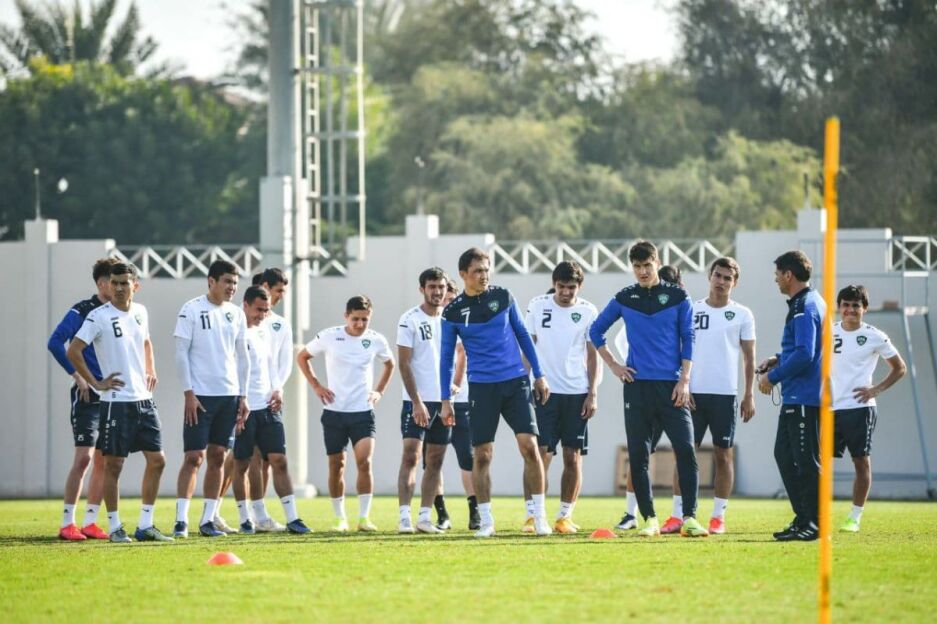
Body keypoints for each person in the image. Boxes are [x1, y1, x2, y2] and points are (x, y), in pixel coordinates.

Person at [590, 241, 708, 537]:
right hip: (637, 388)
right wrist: (614, 366)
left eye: (647, 265)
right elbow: (595, 330)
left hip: (672, 387)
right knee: (639, 455)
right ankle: (650, 519)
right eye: (637, 267)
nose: (642, 271)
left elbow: (689, 337)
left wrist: (685, 380)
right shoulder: (625, 297)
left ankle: (689, 518)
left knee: (686, 450)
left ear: (657, 263)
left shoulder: (679, 296)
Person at [439, 247, 552, 538]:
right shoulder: (452, 312)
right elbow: (446, 357)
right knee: (482, 455)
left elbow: (523, 335)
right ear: (463, 274)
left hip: (516, 383)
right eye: (478, 271)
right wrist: (445, 399)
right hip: (481, 388)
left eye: (487, 269)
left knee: (530, 446)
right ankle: (487, 521)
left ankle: (539, 516)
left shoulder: (503, 297)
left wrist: (539, 375)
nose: (484, 275)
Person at [67, 262, 171, 543]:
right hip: (116, 402)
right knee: (114, 464)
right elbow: (74, 350)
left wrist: (151, 368)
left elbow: (146, 341)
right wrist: (96, 382)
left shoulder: (140, 312)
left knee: (158, 460)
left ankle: (145, 525)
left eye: (124, 283)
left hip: (144, 399)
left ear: (135, 286)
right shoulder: (98, 316)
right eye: (114, 283)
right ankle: (114, 528)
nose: (119, 288)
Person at [659, 257, 756, 535]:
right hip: (692, 395)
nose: (721, 281)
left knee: (723, 455)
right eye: (718, 275)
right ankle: (678, 515)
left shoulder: (743, 314)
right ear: (709, 277)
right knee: (685, 454)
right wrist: (683, 384)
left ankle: (718, 517)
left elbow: (749, 359)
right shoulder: (692, 309)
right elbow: (677, 350)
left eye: (727, 278)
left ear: (735, 282)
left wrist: (749, 394)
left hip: (725, 395)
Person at [297, 295, 395, 532]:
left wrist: (379, 391)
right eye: (355, 319)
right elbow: (302, 356)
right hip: (334, 413)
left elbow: (390, 364)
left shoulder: (376, 340)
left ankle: (364, 518)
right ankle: (339, 518)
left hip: (363, 412)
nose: (360, 324)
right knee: (337, 465)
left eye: (365, 319)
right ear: (346, 316)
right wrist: (317, 386)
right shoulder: (330, 336)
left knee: (364, 462)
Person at [172, 260, 250, 538]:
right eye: (227, 281)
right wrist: (188, 392)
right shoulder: (191, 309)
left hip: (229, 396)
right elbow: (181, 352)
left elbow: (243, 356)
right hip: (200, 397)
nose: (232, 287)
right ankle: (181, 520)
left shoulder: (236, 314)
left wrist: (243, 395)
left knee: (218, 456)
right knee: (194, 457)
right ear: (211, 281)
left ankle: (207, 521)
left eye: (235, 283)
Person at [524, 261, 598, 534]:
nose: (566, 292)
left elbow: (592, 355)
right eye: (561, 286)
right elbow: (528, 346)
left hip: (577, 392)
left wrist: (592, 393)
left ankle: (564, 516)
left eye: (571, 287)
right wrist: (525, 382)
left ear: (580, 286)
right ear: (553, 284)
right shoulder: (537, 305)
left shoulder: (588, 311)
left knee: (572, 456)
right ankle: (533, 515)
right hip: (544, 391)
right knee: (539, 454)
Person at [47, 257, 118, 541]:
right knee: (84, 459)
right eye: (114, 281)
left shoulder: (121, 312)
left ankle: (90, 522)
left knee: (104, 461)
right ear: (101, 283)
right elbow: (55, 342)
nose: (120, 287)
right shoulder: (83, 310)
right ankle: (67, 523)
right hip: (88, 394)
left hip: (113, 397)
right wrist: (77, 376)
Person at [757, 250, 825, 542]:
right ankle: (804, 517)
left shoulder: (805, 306)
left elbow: (806, 354)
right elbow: (800, 348)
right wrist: (777, 359)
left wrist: (772, 377)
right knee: (784, 455)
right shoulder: (806, 302)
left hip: (805, 397)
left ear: (788, 274)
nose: (775, 279)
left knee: (807, 462)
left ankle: (815, 524)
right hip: (796, 397)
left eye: (777, 274)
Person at [231, 285, 311, 535]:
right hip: (244, 408)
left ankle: (293, 518)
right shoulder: (233, 330)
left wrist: (277, 389)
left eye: (266, 310)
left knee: (279, 460)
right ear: (245, 305)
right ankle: (245, 518)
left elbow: (271, 366)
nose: (262, 315)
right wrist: (238, 400)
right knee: (242, 464)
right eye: (258, 310)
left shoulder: (264, 331)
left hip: (268, 407)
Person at [831, 285, 906, 533]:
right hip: (830, 408)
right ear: (839, 307)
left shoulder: (874, 336)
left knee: (860, 461)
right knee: (817, 461)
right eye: (846, 305)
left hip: (859, 408)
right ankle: (814, 514)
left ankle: (854, 517)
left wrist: (876, 389)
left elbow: (900, 367)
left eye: (856, 305)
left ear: (864, 309)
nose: (850, 310)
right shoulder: (828, 332)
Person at [615, 265, 680, 531]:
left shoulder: (682, 309)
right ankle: (631, 513)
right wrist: (631, 367)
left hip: (677, 391)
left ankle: (680, 515)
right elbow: (620, 341)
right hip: (646, 389)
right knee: (641, 454)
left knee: (684, 451)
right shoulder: (641, 311)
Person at [395, 268, 452, 534]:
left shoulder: (451, 320)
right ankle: (404, 518)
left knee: (436, 460)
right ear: (422, 289)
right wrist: (416, 402)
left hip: (444, 402)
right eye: (432, 286)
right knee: (411, 456)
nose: (437, 291)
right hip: (416, 402)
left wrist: (449, 398)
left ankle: (425, 518)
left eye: (441, 286)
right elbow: (404, 363)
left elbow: (458, 357)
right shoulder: (410, 319)